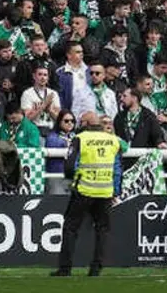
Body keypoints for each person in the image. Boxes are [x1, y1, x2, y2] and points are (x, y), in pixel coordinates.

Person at [52, 113, 122, 277]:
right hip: (105, 191)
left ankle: (65, 268)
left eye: (81, 121)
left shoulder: (80, 138)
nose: (78, 124)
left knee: (70, 228)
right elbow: (118, 168)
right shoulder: (113, 140)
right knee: (102, 230)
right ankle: (96, 268)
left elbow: (69, 166)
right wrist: (115, 190)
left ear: (87, 123)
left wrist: (74, 180)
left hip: (84, 189)